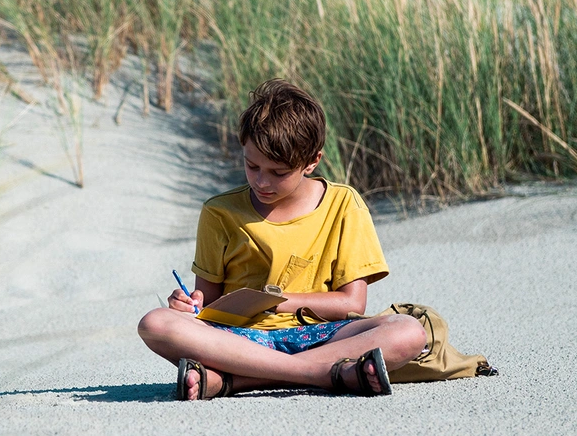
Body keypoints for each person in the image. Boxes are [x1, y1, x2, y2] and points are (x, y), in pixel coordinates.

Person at [137, 79, 427, 400]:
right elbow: (205, 303)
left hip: (320, 335)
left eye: (278, 172)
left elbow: (351, 304)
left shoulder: (344, 204)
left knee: (408, 331)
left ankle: (233, 381)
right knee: (156, 322)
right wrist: (187, 305)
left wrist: (275, 300)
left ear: (312, 161)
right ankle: (322, 373)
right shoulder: (219, 212)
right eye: (252, 165)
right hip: (238, 339)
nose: (262, 181)